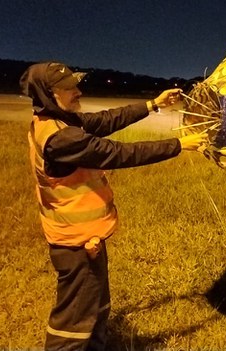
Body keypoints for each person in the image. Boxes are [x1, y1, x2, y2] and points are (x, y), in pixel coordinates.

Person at [19, 61, 207, 350]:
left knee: (95, 307)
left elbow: (106, 121)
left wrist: (152, 104)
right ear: (49, 94)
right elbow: (117, 153)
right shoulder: (60, 139)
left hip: (83, 237)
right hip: (75, 243)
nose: (77, 91)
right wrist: (180, 145)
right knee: (74, 322)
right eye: (69, 88)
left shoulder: (61, 121)